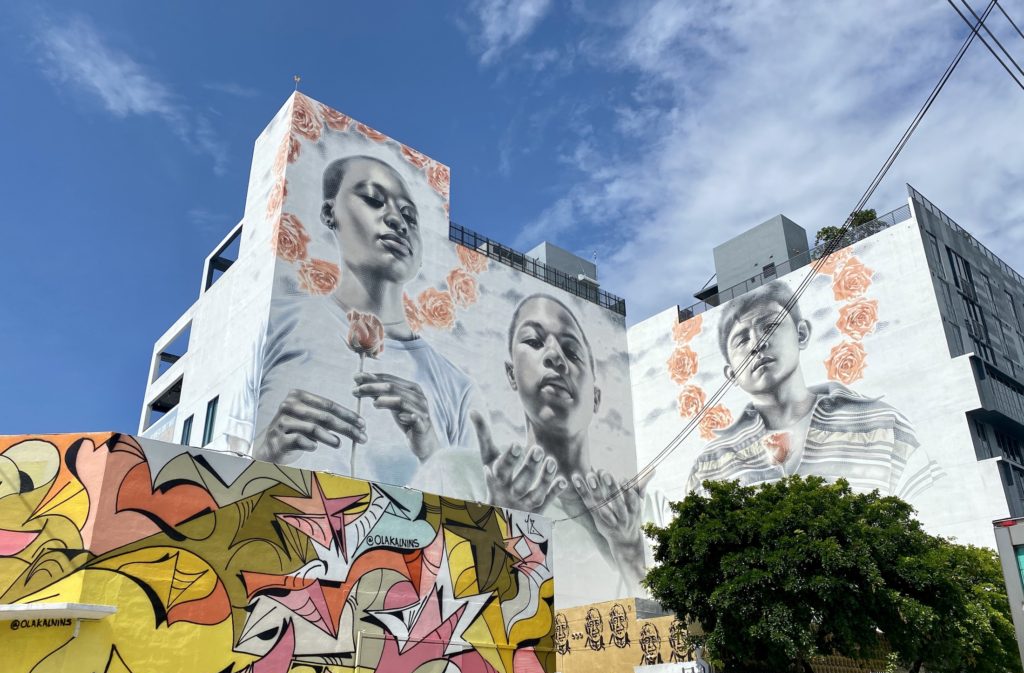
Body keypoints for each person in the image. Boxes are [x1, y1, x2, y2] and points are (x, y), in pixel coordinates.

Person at [249, 156, 480, 483]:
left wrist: (431, 448)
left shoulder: (455, 385)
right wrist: (265, 455)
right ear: (330, 213)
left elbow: (477, 515)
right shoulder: (280, 322)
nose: (397, 222)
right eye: (373, 200)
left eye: (409, 216)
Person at [415, 293, 647, 599]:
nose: (554, 357)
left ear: (596, 397)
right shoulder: (455, 473)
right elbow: (420, 603)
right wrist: (497, 521)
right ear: (511, 374)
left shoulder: (624, 517)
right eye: (535, 341)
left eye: (571, 351)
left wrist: (629, 550)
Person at [686, 281, 940, 499]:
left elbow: (932, 505)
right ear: (731, 375)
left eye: (769, 327)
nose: (757, 344)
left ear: (802, 334)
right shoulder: (710, 462)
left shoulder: (883, 423)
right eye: (742, 339)